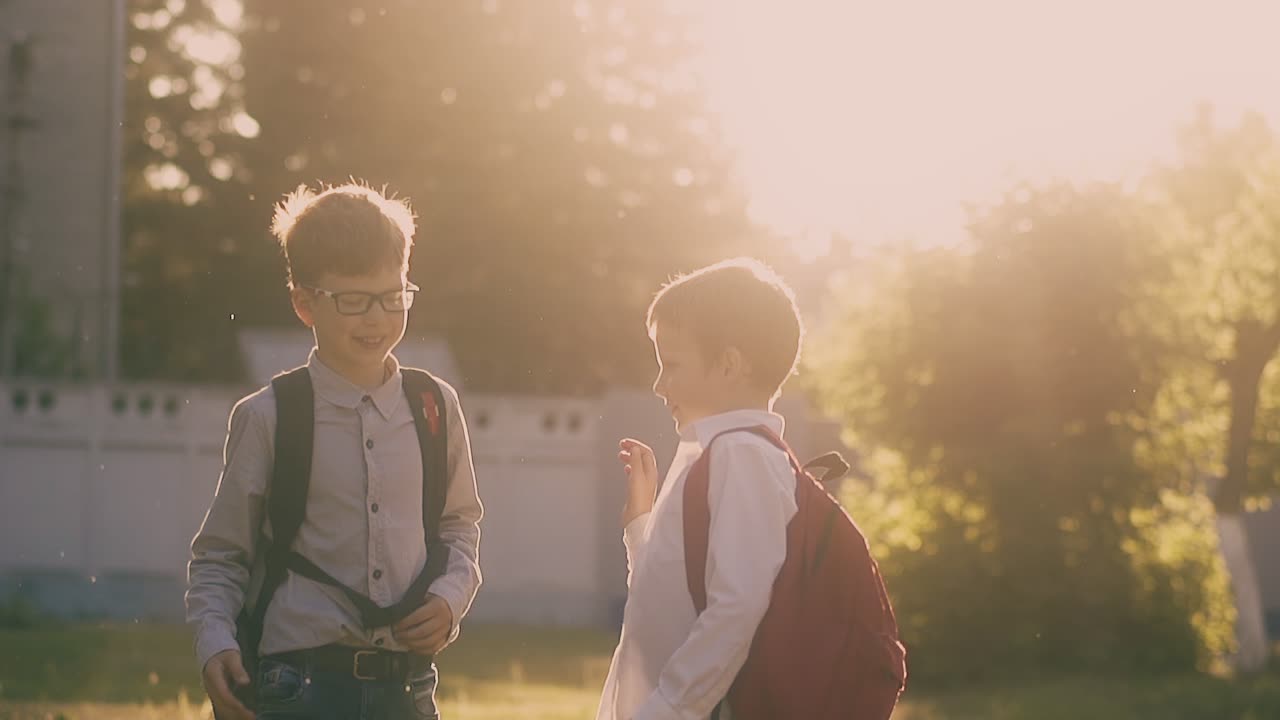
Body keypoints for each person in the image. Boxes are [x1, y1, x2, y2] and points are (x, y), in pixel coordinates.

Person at [187, 182, 482, 720]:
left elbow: (458, 529)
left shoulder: (436, 407)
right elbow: (221, 556)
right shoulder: (268, 416)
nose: (376, 318)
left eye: (393, 297)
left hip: (408, 689)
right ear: (305, 303)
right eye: (353, 301)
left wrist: (449, 598)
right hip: (296, 686)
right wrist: (215, 643)